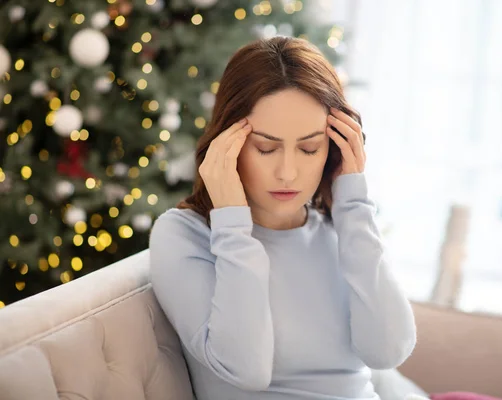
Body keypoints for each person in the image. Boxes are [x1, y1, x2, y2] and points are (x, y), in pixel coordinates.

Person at [149, 36, 417, 399]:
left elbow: (389, 350)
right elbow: (245, 369)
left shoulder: (342, 232)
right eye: (266, 147)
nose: (288, 172)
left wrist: (353, 206)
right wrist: (232, 223)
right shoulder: (184, 235)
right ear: (227, 145)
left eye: (309, 148)